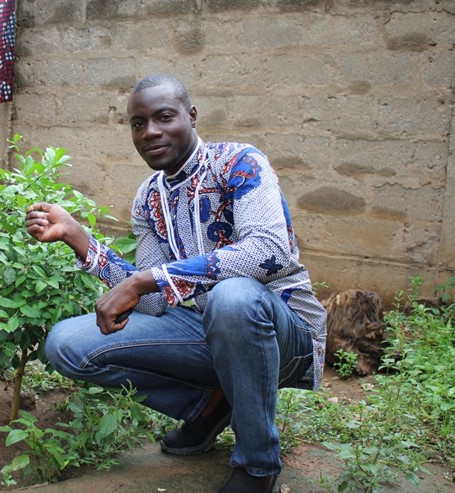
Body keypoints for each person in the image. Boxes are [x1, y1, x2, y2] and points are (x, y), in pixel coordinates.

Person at [24, 74, 327, 493]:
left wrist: (148, 280)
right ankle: (212, 405)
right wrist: (78, 238)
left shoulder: (239, 162)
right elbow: (150, 305)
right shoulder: (149, 197)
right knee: (66, 344)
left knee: (233, 297)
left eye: (164, 117)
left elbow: (268, 249)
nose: (150, 132)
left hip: (284, 331)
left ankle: (258, 465)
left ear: (192, 116)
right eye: (138, 123)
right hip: (211, 330)